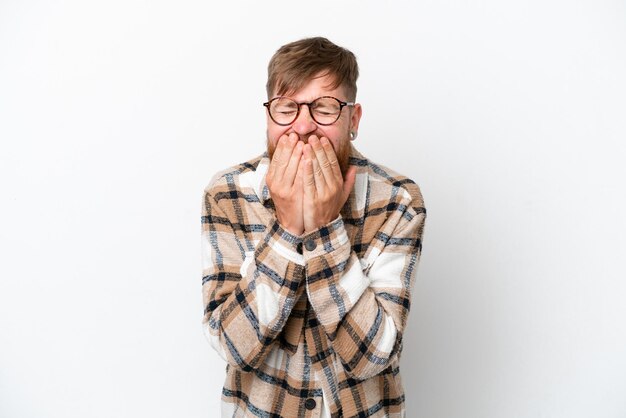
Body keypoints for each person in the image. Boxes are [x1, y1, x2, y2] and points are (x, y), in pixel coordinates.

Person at [201, 37, 427, 418]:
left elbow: (374, 355)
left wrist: (325, 228)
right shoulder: (227, 194)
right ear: (269, 117)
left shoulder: (398, 201)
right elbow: (233, 345)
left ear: (352, 120)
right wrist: (288, 229)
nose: (303, 127)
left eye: (324, 108)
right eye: (287, 108)